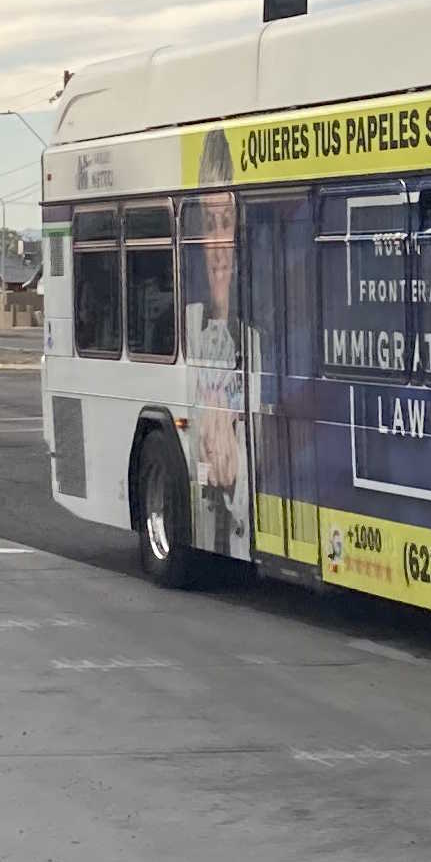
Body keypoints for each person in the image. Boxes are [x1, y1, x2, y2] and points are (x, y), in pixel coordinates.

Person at [184, 130, 249, 555]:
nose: (220, 245)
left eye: (227, 222)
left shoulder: (261, 339)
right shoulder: (188, 328)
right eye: (210, 225)